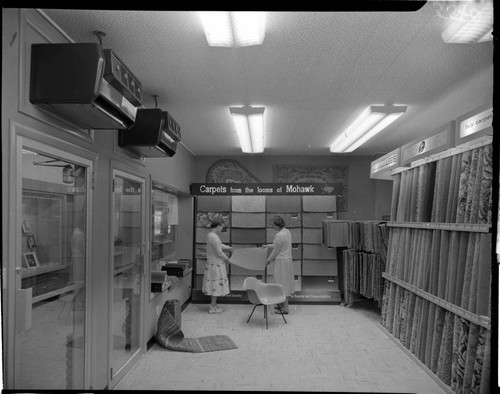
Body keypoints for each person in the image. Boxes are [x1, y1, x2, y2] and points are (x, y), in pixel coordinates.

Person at [264, 215, 294, 314]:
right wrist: (268, 245)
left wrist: (268, 260)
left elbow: (276, 251)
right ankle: (282, 305)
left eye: (273, 225)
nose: (272, 227)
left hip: (281, 262)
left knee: (281, 284)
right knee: (285, 283)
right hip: (288, 260)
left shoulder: (278, 235)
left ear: (278, 225)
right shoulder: (287, 232)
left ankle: (285, 308)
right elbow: (279, 246)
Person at [203, 218, 233, 314]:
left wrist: (228, 248)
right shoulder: (213, 237)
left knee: (214, 285)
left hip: (213, 264)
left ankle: (214, 305)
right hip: (215, 265)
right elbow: (219, 252)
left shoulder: (211, 235)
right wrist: (227, 259)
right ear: (218, 225)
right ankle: (212, 307)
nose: (222, 229)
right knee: (215, 286)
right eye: (222, 227)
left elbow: (218, 246)